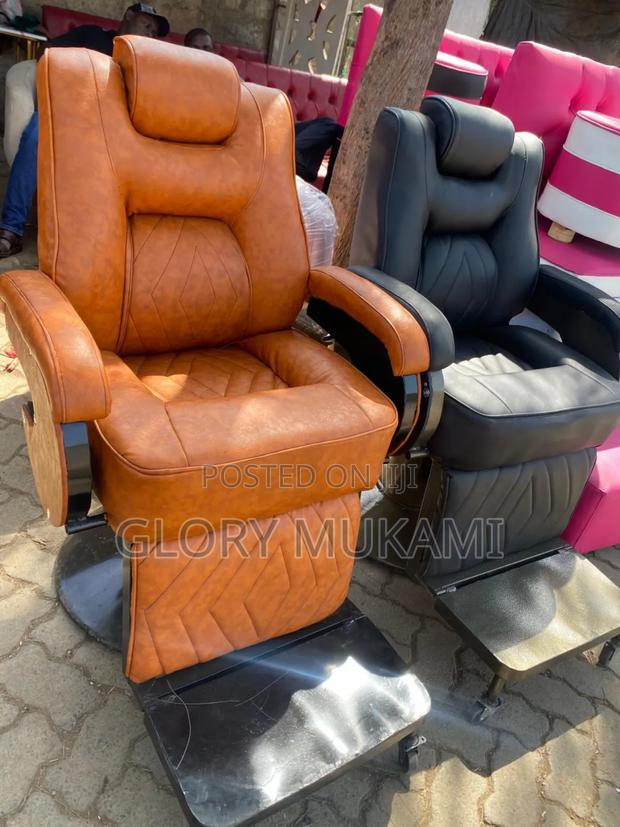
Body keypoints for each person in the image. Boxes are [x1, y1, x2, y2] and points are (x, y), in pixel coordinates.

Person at [0, 3, 170, 258]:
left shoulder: (146, 62)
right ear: (129, 16)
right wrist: (82, 67)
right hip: (69, 107)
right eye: (147, 26)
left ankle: (119, 246)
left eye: (154, 33)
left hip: (114, 125)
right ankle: (10, 230)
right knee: (35, 136)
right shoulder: (92, 35)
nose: (150, 35)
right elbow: (46, 51)